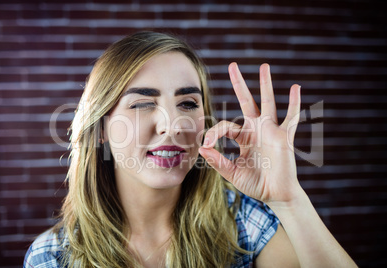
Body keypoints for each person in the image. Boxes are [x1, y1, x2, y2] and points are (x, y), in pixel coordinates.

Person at [24, 31, 357, 268]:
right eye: (142, 103)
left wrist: (289, 201)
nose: (174, 125)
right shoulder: (52, 257)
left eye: (187, 103)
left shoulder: (244, 225)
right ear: (100, 129)